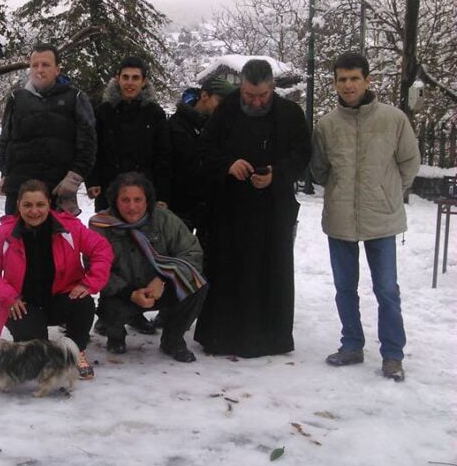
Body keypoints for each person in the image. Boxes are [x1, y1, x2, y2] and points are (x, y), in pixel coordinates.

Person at [310, 52, 420, 381]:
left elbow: (409, 162)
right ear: (335, 83)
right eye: (342, 79)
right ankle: (352, 345)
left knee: (386, 289)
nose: (348, 84)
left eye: (354, 78)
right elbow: (319, 170)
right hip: (341, 218)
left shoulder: (393, 119)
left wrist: (388, 192)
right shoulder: (327, 125)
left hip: (381, 218)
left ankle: (392, 354)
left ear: (367, 80)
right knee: (345, 287)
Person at [194, 59, 311, 358]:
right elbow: (205, 150)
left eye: (261, 96)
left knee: (271, 272)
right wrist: (228, 165)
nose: (255, 102)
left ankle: (270, 338)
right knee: (228, 271)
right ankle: (223, 337)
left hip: (273, 210)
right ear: (241, 87)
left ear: (272, 87)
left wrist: (276, 174)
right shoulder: (227, 109)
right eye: (249, 95)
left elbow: (302, 155)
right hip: (231, 209)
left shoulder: (290, 114)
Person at [0, 179, 113, 379]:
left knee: (83, 304)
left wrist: (89, 283)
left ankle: (75, 352)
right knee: (36, 350)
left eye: (40, 204)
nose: (34, 211)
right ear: (18, 205)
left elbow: (102, 249)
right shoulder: (4, 234)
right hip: (23, 304)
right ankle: (41, 355)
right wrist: (8, 296)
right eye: (27, 205)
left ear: (49, 204)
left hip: (60, 298)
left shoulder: (69, 228)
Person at [90, 172, 206, 362]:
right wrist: (129, 293)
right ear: (115, 201)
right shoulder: (100, 225)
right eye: (125, 200)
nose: (132, 206)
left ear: (148, 200)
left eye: (138, 199)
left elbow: (192, 253)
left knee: (197, 285)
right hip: (122, 292)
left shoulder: (165, 219)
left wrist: (163, 279)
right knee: (110, 308)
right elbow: (96, 270)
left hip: (160, 287)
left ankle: (172, 339)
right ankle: (115, 335)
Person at [0, 43, 96, 216]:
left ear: (57, 69)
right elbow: (5, 139)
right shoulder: (16, 98)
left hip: (58, 190)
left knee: (57, 242)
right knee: (17, 241)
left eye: (46, 65)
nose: (39, 70)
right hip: (19, 190)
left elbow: (88, 143)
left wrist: (74, 178)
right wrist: (4, 172)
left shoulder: (75, 97)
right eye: (35, 65)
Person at [87, 56, 171, 212]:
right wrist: (92, 181)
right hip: (109, 189)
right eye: (125, 77)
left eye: (135, 78)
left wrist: (162, 196)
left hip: (144, 191)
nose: (130, 83)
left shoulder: (154, 113)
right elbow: (93, 149)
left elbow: (163, 156)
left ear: (144, 82)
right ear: (118, 79)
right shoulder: (103, 112)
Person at [168, 77, 236, 232]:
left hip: (210, 208)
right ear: (205, 96)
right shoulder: (176, 127)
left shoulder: (220, 129)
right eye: (220, 101)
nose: (223, 108)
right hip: (180, 207)